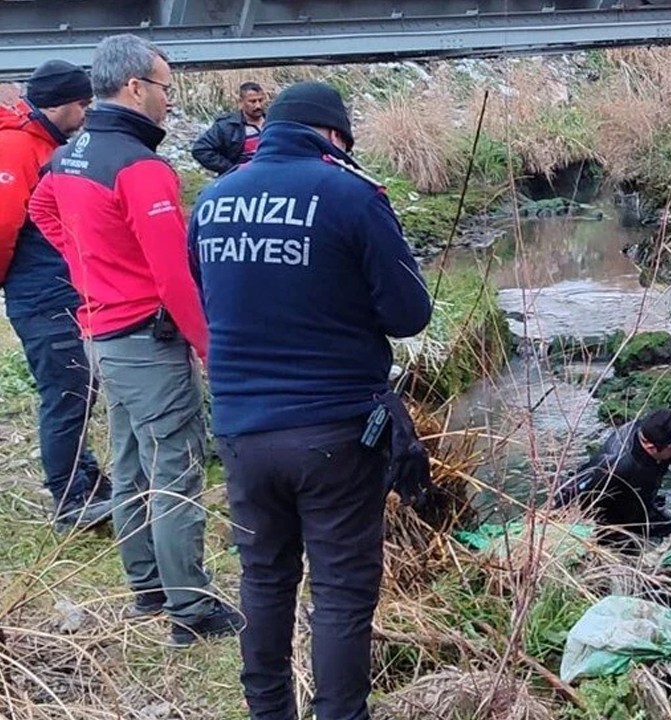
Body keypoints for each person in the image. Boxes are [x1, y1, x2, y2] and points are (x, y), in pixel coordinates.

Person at [189, 81, 433, 720]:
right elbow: (408, 314)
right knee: (342, 593)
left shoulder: (211, 200)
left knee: (264, 580)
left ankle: (268, 712)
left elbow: (211, 297)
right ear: (333, 136)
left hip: (242, 429)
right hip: (333, 430)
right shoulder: (352, 195)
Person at [28, 34, 240, 646]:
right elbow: (174, 274)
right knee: (175, 466)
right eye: (166, 87)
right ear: (135, 88)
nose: (169, 101)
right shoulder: (141, 166)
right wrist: (209, 348)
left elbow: (43, 209)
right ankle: (191, 610)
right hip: (146, 337)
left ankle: (146, 587)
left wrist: (87, 264)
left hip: (102, 333)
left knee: (127, 462)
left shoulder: (71, 153)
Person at [0, 60, 112, 531]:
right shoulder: (19, 147)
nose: (86, 114)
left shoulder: (42, 143)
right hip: (39, 292)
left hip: (52, 287)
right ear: (62, 103)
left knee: (76, 387)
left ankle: (84, 479)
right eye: (83, 104)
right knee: (66, 390)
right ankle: (70, 499)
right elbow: (5, 223)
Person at [553, 408, 671, 548]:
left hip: (645, 503)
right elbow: (571, 490)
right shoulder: (616, 463)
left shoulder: (668, 437)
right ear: (651, 448)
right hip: (610, 515)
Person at [191, 81, 267, 175]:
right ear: (241, 102)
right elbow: (201, 149)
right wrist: (231, 169)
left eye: (261, 100)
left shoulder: (273, 122)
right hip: (241, 179)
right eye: (252, 101)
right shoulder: (227, 126)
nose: (258, 105)